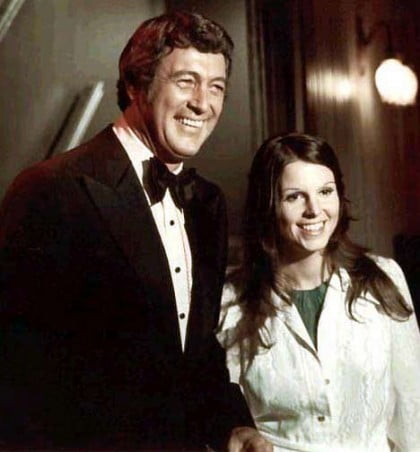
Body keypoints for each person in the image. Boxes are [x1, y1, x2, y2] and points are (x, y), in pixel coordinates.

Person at [0, 11, 270, 451]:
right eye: (186, 81)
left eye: (216, 87)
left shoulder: (207, 204)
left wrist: (231, 423)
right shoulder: (51, 190)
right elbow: (16, 373)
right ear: (135, 84)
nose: (203, 103)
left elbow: (195, 348)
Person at [217, 133, 420, 451]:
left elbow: (412, 411)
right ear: (268, 206)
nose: (314, 209)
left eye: (325, 191)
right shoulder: (231, 301)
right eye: (294, 197)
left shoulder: (383, 278)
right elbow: (222, 415)